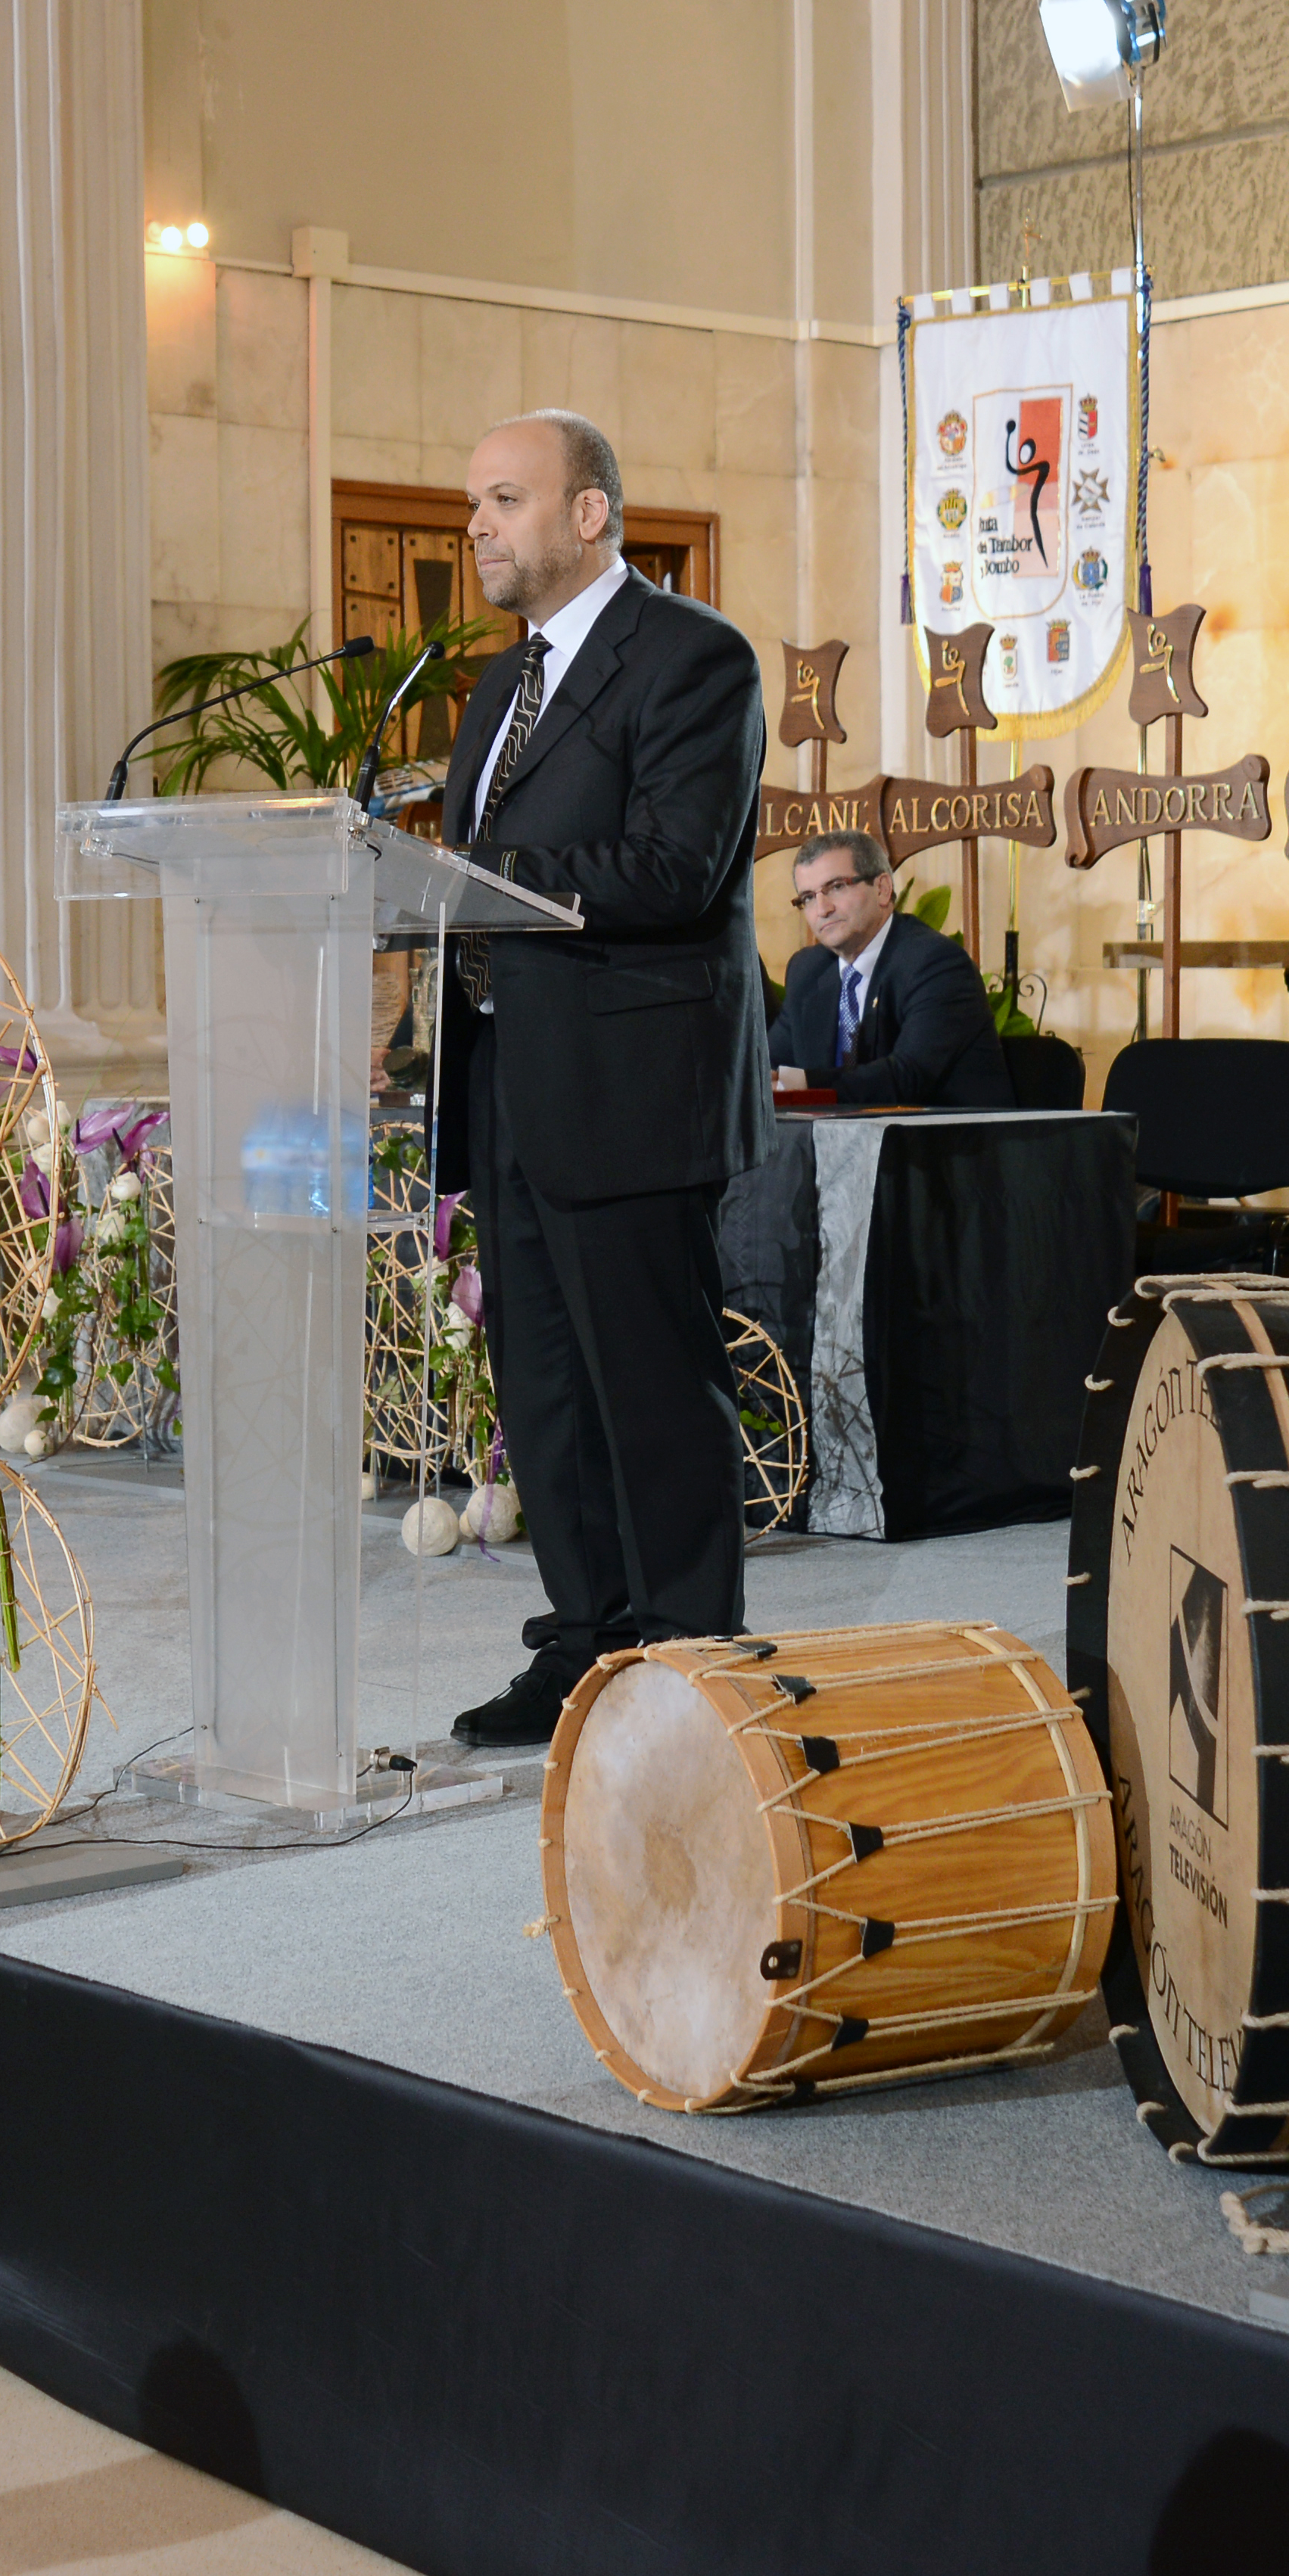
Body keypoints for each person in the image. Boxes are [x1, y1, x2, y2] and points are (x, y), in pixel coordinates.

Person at [431, 409, 772, 1751]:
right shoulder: (497, 688)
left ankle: (688, 1649)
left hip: (635, 1083)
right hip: (514, 1072)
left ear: (589, 515)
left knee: (647, 1378)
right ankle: (584, 1639)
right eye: (475, 504)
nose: (478, 527)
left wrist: (481, 889)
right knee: (548, 1389)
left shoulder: (695, 661)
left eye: (504, 499)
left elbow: (677, 865)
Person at [771, 832, 1009, 1108]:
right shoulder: (808, 970)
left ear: (882, 889)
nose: (822, 909)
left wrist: (802, 1084)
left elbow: (907, 1077)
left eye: (836, 887)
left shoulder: (934, 963)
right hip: (841, 1143)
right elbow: (771, 1064)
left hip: (948, 1142)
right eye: (808, 898)